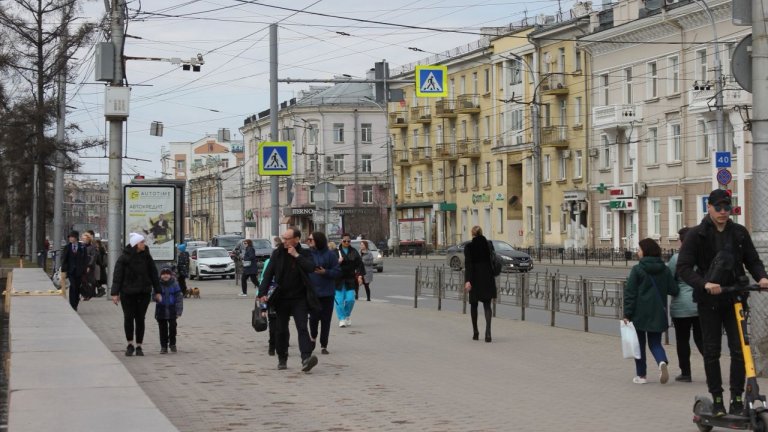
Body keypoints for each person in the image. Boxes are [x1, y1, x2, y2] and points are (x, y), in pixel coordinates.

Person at [677, 189, 768, 416]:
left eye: (727, 208)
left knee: (739, 350)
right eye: (719, 207)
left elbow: (753, 260)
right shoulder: (696, 235)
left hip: (736, 297)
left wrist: (762, 277)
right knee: (712, 351)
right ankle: (717, 400)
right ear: (709, 207)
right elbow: (684, 268)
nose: (724, 212)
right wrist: (704, 284)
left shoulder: (738, 233)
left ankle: (736, 399)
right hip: (709, 301)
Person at [258, 227, 320, 372]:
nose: (284, 241)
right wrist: (262, 293)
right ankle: (282, 358)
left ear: (297, 239)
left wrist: (296, 255)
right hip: (281, 298)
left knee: (302, 327)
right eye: (283, 238)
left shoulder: (304, 253)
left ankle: (306, 358)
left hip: (300, 298)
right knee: (281, 330)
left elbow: (312, 268)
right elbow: (268, 274)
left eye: (287, 238)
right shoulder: (277, 253)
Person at [623, 238, 679, 385]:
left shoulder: (637, 269)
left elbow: (630, 294)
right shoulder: (665, 269)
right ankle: (661, 362)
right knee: (655, 343)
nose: (637, 252)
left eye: (639, 249)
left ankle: (641, 376)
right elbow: (673, 289)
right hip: (658, 312)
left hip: (639, 314)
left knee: (639, 345)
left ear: (645, 251)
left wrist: (627, 314)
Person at [111, 233, 161, 357]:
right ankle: (130, 344)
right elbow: (117, 276)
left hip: (143, 293)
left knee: (140, 319)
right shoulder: (124, 258)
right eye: (142, 242)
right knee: (128, 318)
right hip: (127, 293)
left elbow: (154, 274)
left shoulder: (147, 257)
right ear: (135, 245)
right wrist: (115, 293)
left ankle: (139, 345)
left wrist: (158, 291)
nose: (144, 244)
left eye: (144, 242)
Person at [667, 227, 703, 383]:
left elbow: (670, 282)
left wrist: (676, 292)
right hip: (701, 304)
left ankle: (686, 373)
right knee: (703, 340)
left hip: (681, 307)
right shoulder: (703, 257)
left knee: (682, 341)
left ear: (682, 241)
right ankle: (712, 371)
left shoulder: (676, 259)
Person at [308, 231, 341, 355]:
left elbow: (337, 272)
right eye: (308, 240)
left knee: (326, 320)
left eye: (311, 240)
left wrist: (325, 272)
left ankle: (323, 345)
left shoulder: (330, 255)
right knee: (313, 318)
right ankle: (313, 337)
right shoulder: (308, 254)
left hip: (327, 293)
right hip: (313, 293)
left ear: (318, 241)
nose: (309, 242)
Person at [463, 226, 497, 342]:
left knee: (474, 305)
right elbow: (492, 259)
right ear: (481, 233)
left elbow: (468, 265)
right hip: (487, 277)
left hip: (475, 277)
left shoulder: (469, 247)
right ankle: (488, 333)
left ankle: (476, 332)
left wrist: (468, 280)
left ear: (472, 234)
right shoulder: (488, 244)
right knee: (487, 305)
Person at [335, 233, 364, 328]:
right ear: (341, 241)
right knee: (339, 301)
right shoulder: (335, 252)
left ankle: (347, 315)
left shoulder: (354, 251)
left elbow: (359, 264)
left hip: (350, 279)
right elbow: (329, 265)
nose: (346, 242)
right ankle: (342, 319)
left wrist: (359, 276)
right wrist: (337, 262)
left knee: (350, 300)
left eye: (348, 241)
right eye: (344, 241)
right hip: (338, 280)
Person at [155, 266, 183, 354]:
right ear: (160, 276)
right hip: (161, 310)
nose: (165, 276)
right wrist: (156, 297)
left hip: (172, 309)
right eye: (163, 274)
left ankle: (172, 343)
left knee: (172, 328)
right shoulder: (158, 284)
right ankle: (163, 346)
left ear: (171, 275)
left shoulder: (175, 284)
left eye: (167, 274)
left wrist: (179, 311)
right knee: (162, 329)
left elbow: (179, 299)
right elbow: (153, 296)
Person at [60, 230, 87, 310]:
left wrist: (85, 269)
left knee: (78, 287)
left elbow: (85, 259)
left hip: (79, 271)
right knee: (73, 287)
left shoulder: (82, 247)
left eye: (72, 237)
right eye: (70, 237)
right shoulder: (67, 247)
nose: (70, 239)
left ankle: (76, 303)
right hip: (70, 271)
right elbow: (64, 259)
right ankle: (72, 305)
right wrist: (64, 270)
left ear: (76, 238)